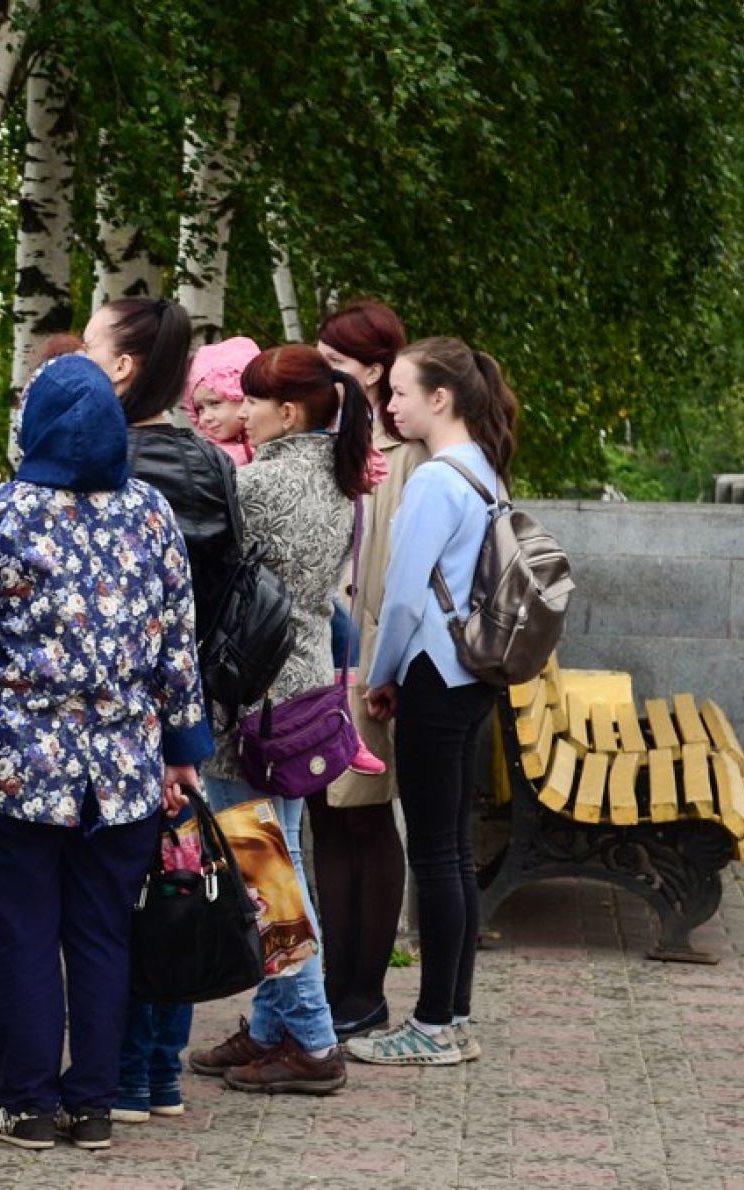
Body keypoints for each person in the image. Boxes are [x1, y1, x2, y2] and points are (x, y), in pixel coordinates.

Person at [0, 352, 212, 1153]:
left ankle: (29, 1104)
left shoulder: (2, 515)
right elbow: (180, 644)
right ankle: (95, 1106)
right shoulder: (150, 513)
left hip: (21, 766)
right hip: (125, 766)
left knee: (23, 932)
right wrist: (183, 750)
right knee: (105, 933)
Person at [187, 344, 373, 1096]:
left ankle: (316, 1043)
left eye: (255, 402)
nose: (245, 413)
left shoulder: (256, 484)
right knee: (280, 857)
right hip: (301, 697)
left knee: (265, 876)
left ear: (286, 412)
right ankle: (269, 1030)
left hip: (250, 701)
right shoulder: (340, 476)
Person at [88, 303, 250, 1125]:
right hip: (192, 706)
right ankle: (161, 1074)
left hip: (122, 713)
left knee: (123, 890)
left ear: (121, 368)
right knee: (181, 877)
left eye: (89, 345)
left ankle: (120, 1074)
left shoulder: (109, 462)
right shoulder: (211, 460)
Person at [348, 336, 518, 1067]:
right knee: (451, 848)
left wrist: (378, 676)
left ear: (440, 399)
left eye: (403, 394)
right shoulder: (484, 471)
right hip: (474, 673)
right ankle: (452, 1016)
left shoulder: (435, 480)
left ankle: (432, 1025)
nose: (390, 405)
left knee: (439, 855)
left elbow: (402, 596)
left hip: (432, 676)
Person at [307, 299, 424, 1040]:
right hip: (319, 655)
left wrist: (386, 666)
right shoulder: (332, 440)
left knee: (368, 818)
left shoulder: (403, 455)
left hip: (368, 659)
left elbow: (394, 572)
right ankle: (333, 981)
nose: (321, 380)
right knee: (326, 818)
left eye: (335, 367)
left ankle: (364, 988)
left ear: (374, 371)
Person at [181, 336, 260, 466]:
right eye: (200, 409)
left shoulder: (273, 440)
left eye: (215, 403)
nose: (206, 417)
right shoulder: (207, 457)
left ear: (243, 397)